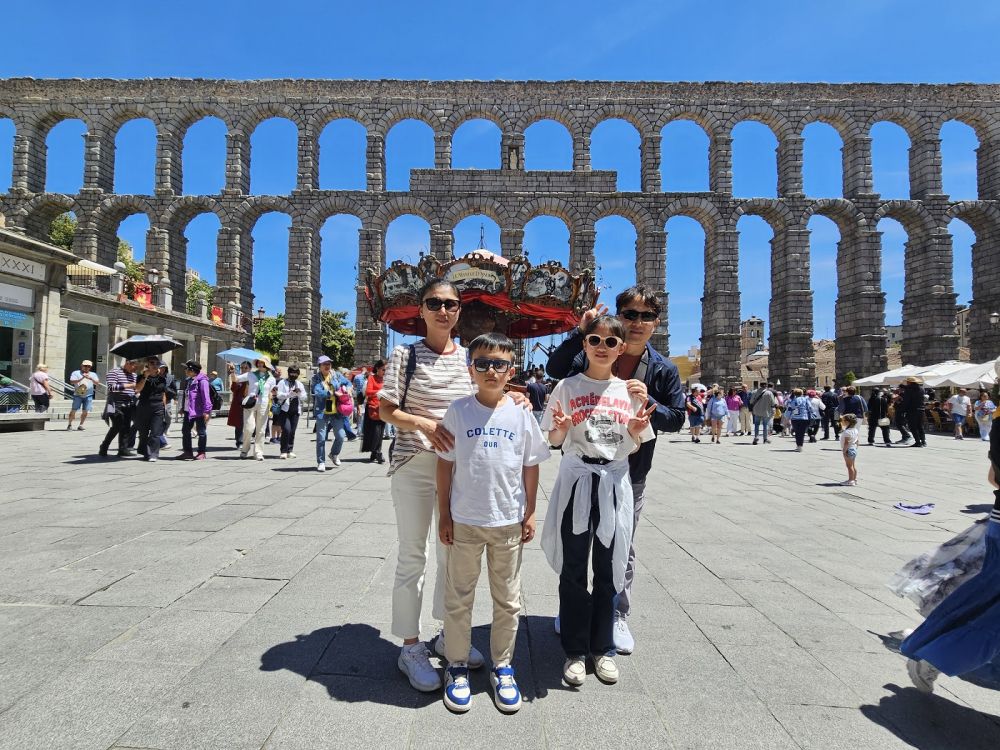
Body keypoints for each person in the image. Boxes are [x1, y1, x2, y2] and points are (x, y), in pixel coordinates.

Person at [545, 285, 686, 654]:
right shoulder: (591, 350)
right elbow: (555, 369)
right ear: (619, 317)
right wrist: (582, 332)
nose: (638, 322)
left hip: (629, 472)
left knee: (621, 544)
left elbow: (677, 419)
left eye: (646, 316)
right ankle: (574, 612)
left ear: (656, 322)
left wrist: (646, 399)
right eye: (630, 314)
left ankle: (617, 614)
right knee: (576, 546)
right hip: (581, 469)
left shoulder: (663, 369)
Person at [378, 278, 485, 692]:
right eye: (434, 303)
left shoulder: (470, 359)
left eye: (450, 304)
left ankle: (446, 634)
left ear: (459, 311)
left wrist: (516, 399)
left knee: (451, 554)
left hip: (457, 469)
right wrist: (423, 423)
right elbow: (386, 409)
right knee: (412, 553)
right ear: (420, 309)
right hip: (414, 464)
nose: (443, 310)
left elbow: (482, 404)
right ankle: (410, 646)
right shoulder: (404, 355)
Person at [436, 333, 549, 714]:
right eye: (482, 363)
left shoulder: (521, 413)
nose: (491, 371)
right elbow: (445, 464)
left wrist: (530, 511)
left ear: (511, 370)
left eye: (499, 364)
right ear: (471, 369)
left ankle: (503, 665)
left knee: (508, 600)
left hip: (507, 520)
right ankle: (456, 664)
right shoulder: (458, 411)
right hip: (465, 519)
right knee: (458, 597)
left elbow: (530, 465)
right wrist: (444, 513)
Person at [541, 314, 656, 687]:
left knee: (609, 567)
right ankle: (575, 650)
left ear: (621, 348)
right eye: (595, 340)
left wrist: (635, 433)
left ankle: (603, 647)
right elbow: (554, 440)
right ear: (585, 344)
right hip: (577, 480)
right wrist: (560, 429)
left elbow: (634, 443)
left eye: (610, 342)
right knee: (574, 566)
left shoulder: (631, 391)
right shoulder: (566, 386)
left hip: (614, 482)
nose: (602, 347)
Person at [312, 355, 350, 471]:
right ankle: (321, 462)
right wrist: (332, 393)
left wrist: (347, 389)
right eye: (324, 364)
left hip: (336, 410)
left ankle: (334, 454)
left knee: (341, 436)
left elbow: (348, 382)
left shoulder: (336, 375)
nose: (327, 366)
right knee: (321, 438)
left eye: (329, 364)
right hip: (322, 411)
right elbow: (318, 392)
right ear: (320, 366)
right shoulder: (316, 378)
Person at [233, 358, 276, 461]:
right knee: (248, 428)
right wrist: (232, 372)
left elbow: (272, 392)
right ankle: (245, 449)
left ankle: (258, 452)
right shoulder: (251, 375)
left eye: (262, 363)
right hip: (250, 403)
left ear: (267, 365)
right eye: (259, 363)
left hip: (264, 405)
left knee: (261, 430)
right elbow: (236, 379)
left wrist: (274, 394)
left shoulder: (271, 378)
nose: (260, 364)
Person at [99, 359, 137, 457]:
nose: (135, 368)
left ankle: (123, 449)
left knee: (126, 426)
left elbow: (135, 389)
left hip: (128, 403)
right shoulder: (114, 372)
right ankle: (104, 446)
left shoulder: (134, 375)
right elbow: (111, 387)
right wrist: (130, 385)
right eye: (134, 366)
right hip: (113, 404)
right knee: (117, 425)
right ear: (128, 363)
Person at [134, 357, 168, 462]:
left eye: (157, 363)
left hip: (157, 407)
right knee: (143, 433)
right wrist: (145, 376)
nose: (154, 365)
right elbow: (137, 389)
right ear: (147, 365)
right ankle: (145, 452)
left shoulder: (162, 379)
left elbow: (163, 394)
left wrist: (164, 407)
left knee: (155, 432)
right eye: (152, 363)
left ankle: (153, 453)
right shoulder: (141, 377)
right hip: (144, 406)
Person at [179, 360, 212, 460]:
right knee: (185, 431)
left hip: (199, 411)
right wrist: (182, 407)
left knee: (201, 432)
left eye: (186, 369)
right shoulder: (188, 380)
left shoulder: (202, 381)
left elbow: (206, 397)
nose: (185, 370)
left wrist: (207, 411)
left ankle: (201, 452)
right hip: (188, 410)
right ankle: (187, 452)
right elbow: (186, 395)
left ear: (192, 370)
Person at [275, 365, 306, 459]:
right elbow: (279, 395)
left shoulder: (299, 384)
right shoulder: (282, 382)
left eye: (296, 373)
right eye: (292, 373)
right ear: (288, 373)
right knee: (286, 430)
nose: (293, 375)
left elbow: (304, 397)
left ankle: (290, 450)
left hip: (295, 410)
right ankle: (283, 451)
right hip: (284, 410)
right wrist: (290, 394)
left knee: (292, 431)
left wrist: (299, 393)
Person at [361, 360, 387, 463]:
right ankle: (377, 452)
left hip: (384, 407)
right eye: (383, 369)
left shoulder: (386, 379)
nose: (385, 372)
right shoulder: (372, 378)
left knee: (381, 432)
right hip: (373, 408)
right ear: (377, 368)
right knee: (376, 432)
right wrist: (380, 391)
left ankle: (374, 452)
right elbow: (368, 392)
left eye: (386, 370)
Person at [68, 359, 100, 431]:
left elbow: (97, 383)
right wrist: (82, 378)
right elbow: (72, 381)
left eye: (89, 366)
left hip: (88, 395)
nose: (87, 367)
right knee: (73, 410)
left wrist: (91, 378)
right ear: (82, 366)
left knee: (85, 411)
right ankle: (69, 424)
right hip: (78, 395)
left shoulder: (93, 374)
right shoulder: (76, 373)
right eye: (85, 366)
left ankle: (81, 425)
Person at [227, 362, 250, 449]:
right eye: (242, 367)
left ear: (250, 369)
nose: (243, 369)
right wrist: (232, 373)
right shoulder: (238, 378)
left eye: (246, 368)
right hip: (239, 403)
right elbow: (233, 388)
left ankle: (247, 440)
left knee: (249, 423)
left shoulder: (252, 378)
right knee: (239, 424)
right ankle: (239, 441)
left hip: (250, 403)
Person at [902, 376, 927, 447]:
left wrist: (904, 410)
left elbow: (906, 401)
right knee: (920, 426)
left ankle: (918, 442)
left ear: (910, 382)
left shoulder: (908, 389)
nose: (907, 383)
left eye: (907, 382)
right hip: (921, 409)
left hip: (912, 410)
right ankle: (923, 441)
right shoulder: (922, 389)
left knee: (913, 426)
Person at [159, 363, 177, 450]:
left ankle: (165, 429)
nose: (162, 369)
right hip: (158, 400)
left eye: (163, 368)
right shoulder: (155, 376)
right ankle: (161, 435)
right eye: (161, 367)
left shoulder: (170, 377)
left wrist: (175, 398)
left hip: (168, 400)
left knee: (168, 416)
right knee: (159, 419)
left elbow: (174, 388)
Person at [840, 413, 859, 486]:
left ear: (847, 422)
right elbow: (857, 441)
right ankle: (854, 479)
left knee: (849, 466)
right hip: (853, 448)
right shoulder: (855, 430)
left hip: (848, 449)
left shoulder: (847, 432)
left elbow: (846, 443)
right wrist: (856, 447)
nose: (842, 422)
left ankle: (850, 480)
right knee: (853, 465)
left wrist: (844, 451)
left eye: (843, 420)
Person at [353, 366, 368, 432]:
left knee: (360, 412)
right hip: (366, 396)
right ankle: (364, 429)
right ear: (365, 370)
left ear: (361, 370)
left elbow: (354, 386)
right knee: (365, 413)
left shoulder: (357, 376)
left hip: (359, 396)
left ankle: (359, 430)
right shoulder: (367, 377)